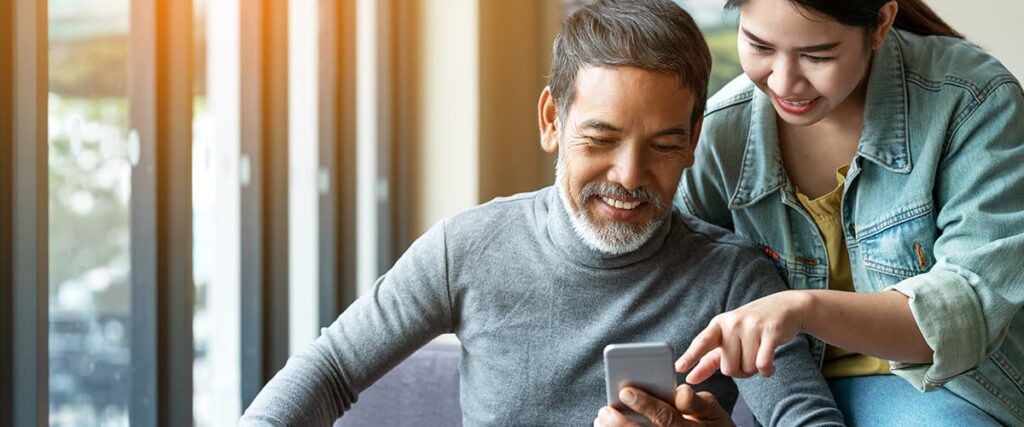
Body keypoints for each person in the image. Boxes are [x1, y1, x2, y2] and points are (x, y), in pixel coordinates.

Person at [239, 1, 844, 426]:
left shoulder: (734, 280)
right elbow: (333, 369)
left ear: (692, 143)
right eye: (600, 139)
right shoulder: (468, 248)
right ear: (552, 122)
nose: (629, 177)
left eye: (662, 145)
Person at [613, 0, 1024, 425]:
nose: (785, 82)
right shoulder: (721, 134)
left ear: (881, 23)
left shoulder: (971, 100)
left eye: (817, 56)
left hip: (935, 387)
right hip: (780, 387)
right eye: (759, 46)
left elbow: (968, 308)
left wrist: (804, 309)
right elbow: (664, 282)